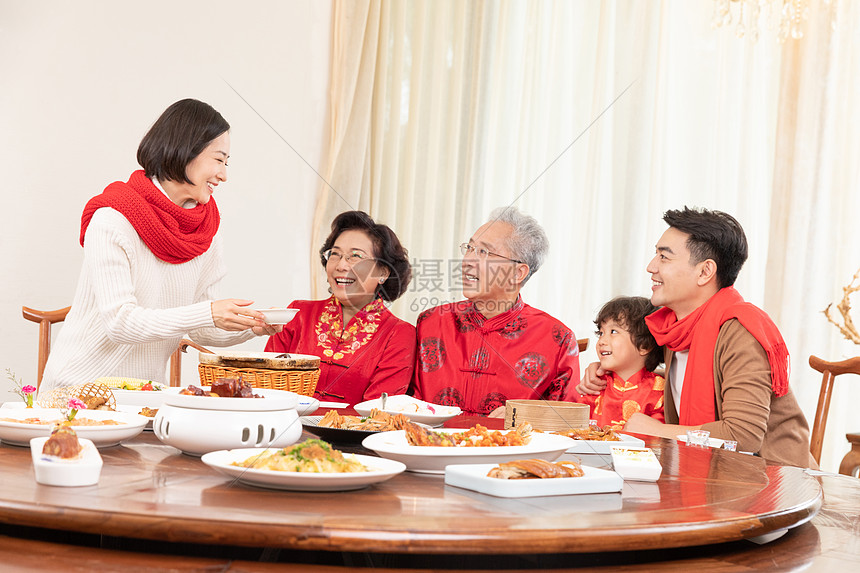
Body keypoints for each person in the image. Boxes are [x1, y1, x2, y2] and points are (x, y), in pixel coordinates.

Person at [41, 99, 279, 392]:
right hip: (78, 391)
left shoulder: (204, 230)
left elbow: (201, 326)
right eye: (219, 159)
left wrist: (251, 326)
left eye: (226, 163)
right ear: (185, 149)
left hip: (145, 396)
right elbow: (120, 322)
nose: (224, 174)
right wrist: (208, 311)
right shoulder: (113, 219)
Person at [578, 207, 812, 467]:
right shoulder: (673, 328)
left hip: (772, 479)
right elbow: (684, 381)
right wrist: (602, 371)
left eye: (664, 257)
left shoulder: (739, 331)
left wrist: (654, 429)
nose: (651, 267)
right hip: (712, 475)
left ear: (704, 272)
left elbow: (743, 436)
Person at [410, 206, 580, 415]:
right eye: (470, 248)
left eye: (484, 252)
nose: (467, 261)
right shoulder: (431, 323)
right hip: (429, 446)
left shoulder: (557, 339)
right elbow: (401, 407)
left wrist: (525, 416)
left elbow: (569, 425)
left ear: (518, 272)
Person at [265, 211, 415, 404]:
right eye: (335, 254)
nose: (341, 265)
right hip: (287, 429)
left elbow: (378, 411)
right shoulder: (297, 313)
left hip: (357, 434)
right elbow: (267, 386)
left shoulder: (399, 334)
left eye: (355, 256)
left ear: (383, 272)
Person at [574, 296, 664, 429]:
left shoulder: (658, 390)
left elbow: (658, 438)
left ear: (644, 346)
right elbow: (575, 425)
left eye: (613, 331)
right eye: (601, 333)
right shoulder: (596, 386)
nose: (602, 341)